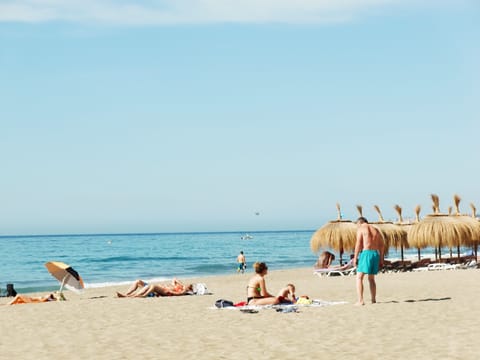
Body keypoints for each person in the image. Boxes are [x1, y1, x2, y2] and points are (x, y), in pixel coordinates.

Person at [354, 217, 384, 305]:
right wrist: (381, 258)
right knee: (371, 279)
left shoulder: (361, 228)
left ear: (360, 223)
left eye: (357, 225)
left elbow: (358, 243)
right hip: (375, 254)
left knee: (359, 277)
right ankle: (373, 300)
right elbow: (382, 246)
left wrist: (355, 257)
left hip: (366, 253)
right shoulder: (376, 230)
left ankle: (360, 300)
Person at [116, 278, 193, 298]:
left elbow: (177, 294)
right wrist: (182, 284)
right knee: (138, 281)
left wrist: (170, 291)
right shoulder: (178, 285)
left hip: (157, 291)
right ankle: (127, 294)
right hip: (153, 287)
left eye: (189, 286)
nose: (188, 285)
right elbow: (175, 278)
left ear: (189, 289)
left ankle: (143, 295)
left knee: (153, 286)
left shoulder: (183, 291)